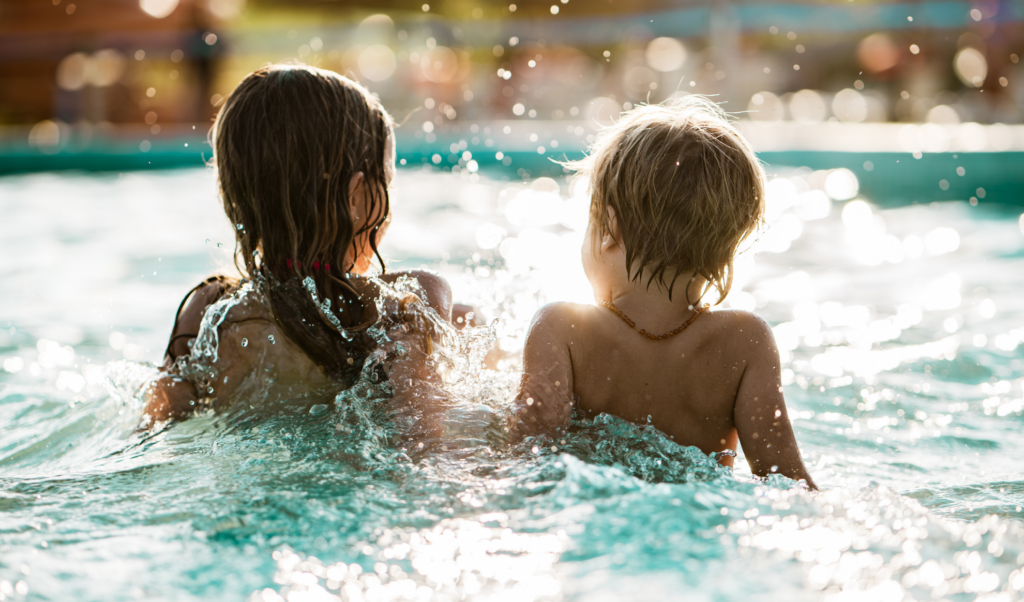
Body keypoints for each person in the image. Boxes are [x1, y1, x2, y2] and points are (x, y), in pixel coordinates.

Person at [510, 97, 817, 489]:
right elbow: (788, 481)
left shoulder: (563, 329)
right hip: (701, 525)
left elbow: (526, 460)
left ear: (608, 228)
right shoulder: (746, 341)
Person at [142, 65, 456, 427]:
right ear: (356, 198)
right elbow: (423, 435)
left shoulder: (208, 310)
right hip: (354, 473)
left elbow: (155, 424)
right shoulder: (406, 299)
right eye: (387, 183)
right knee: (472, 317)